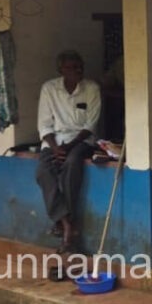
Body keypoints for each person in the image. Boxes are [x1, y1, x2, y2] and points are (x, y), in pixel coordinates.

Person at [35, 50, 101, 254]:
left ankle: (63, 225)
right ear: (61, 70)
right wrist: (55, 148)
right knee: (43, 173)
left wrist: (69, 147)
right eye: (71, 67)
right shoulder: (49, 88)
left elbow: (90, 125)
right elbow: (44, 124)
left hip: (81, 141)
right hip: (54, 142)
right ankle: (66, 223)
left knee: (72, 166)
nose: (77, 70)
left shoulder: (91, 88)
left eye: (79, 66)